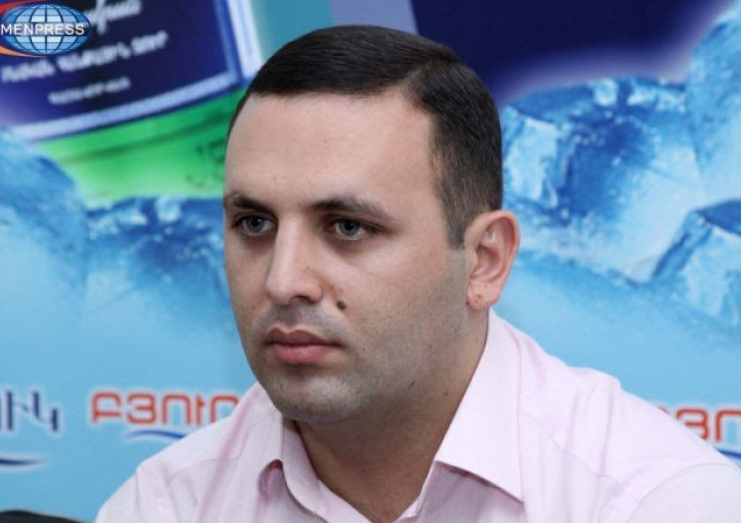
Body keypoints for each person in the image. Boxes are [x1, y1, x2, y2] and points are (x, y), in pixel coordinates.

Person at [95, 25, 741, 523]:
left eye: (348, 227)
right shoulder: (168, 504)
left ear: (485, 260)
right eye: (255, 223)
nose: (283, 281)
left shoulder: (655, 502)